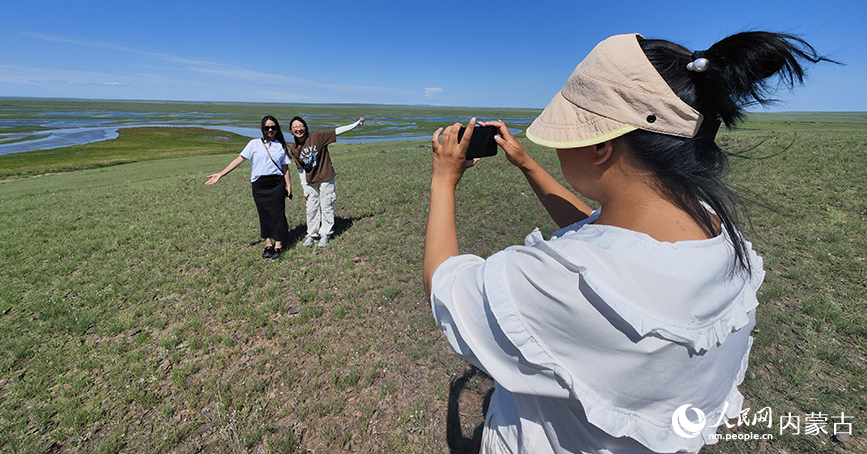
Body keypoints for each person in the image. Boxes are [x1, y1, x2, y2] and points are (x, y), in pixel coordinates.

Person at [424, 32, 830, 453]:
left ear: (601, 145)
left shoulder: (555, 282)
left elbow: (443, 286)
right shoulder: (713, 233)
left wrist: (443, 180)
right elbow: (602, 235)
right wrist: (526, 164)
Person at [206, 116, 293, 259]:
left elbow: (285, 168)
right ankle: (268, 244)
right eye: (267, 128)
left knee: (278, 214)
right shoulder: (254, 144)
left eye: (273, 127)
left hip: (277, 184)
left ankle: (278, 245)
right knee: (264, 214)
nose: (270, 130)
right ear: (262, 129)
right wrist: (221, 174)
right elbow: (239, 160)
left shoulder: (281, 145)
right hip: (259, 185)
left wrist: (288, 185)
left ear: (277, 129)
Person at [289, 115, 365, 247]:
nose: (298, 129)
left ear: (305, 127)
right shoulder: (294, 148)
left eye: (301, 126)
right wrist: (304, 188)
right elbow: (300, 169)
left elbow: (337, 131)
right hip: (311, 180)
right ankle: (312, 234)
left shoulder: (317, 136)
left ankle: (325, 234)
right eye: (295, 127)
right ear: (291, 131)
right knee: (311, 208)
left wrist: (355, 125)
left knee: (326, 205)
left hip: (325, 176)